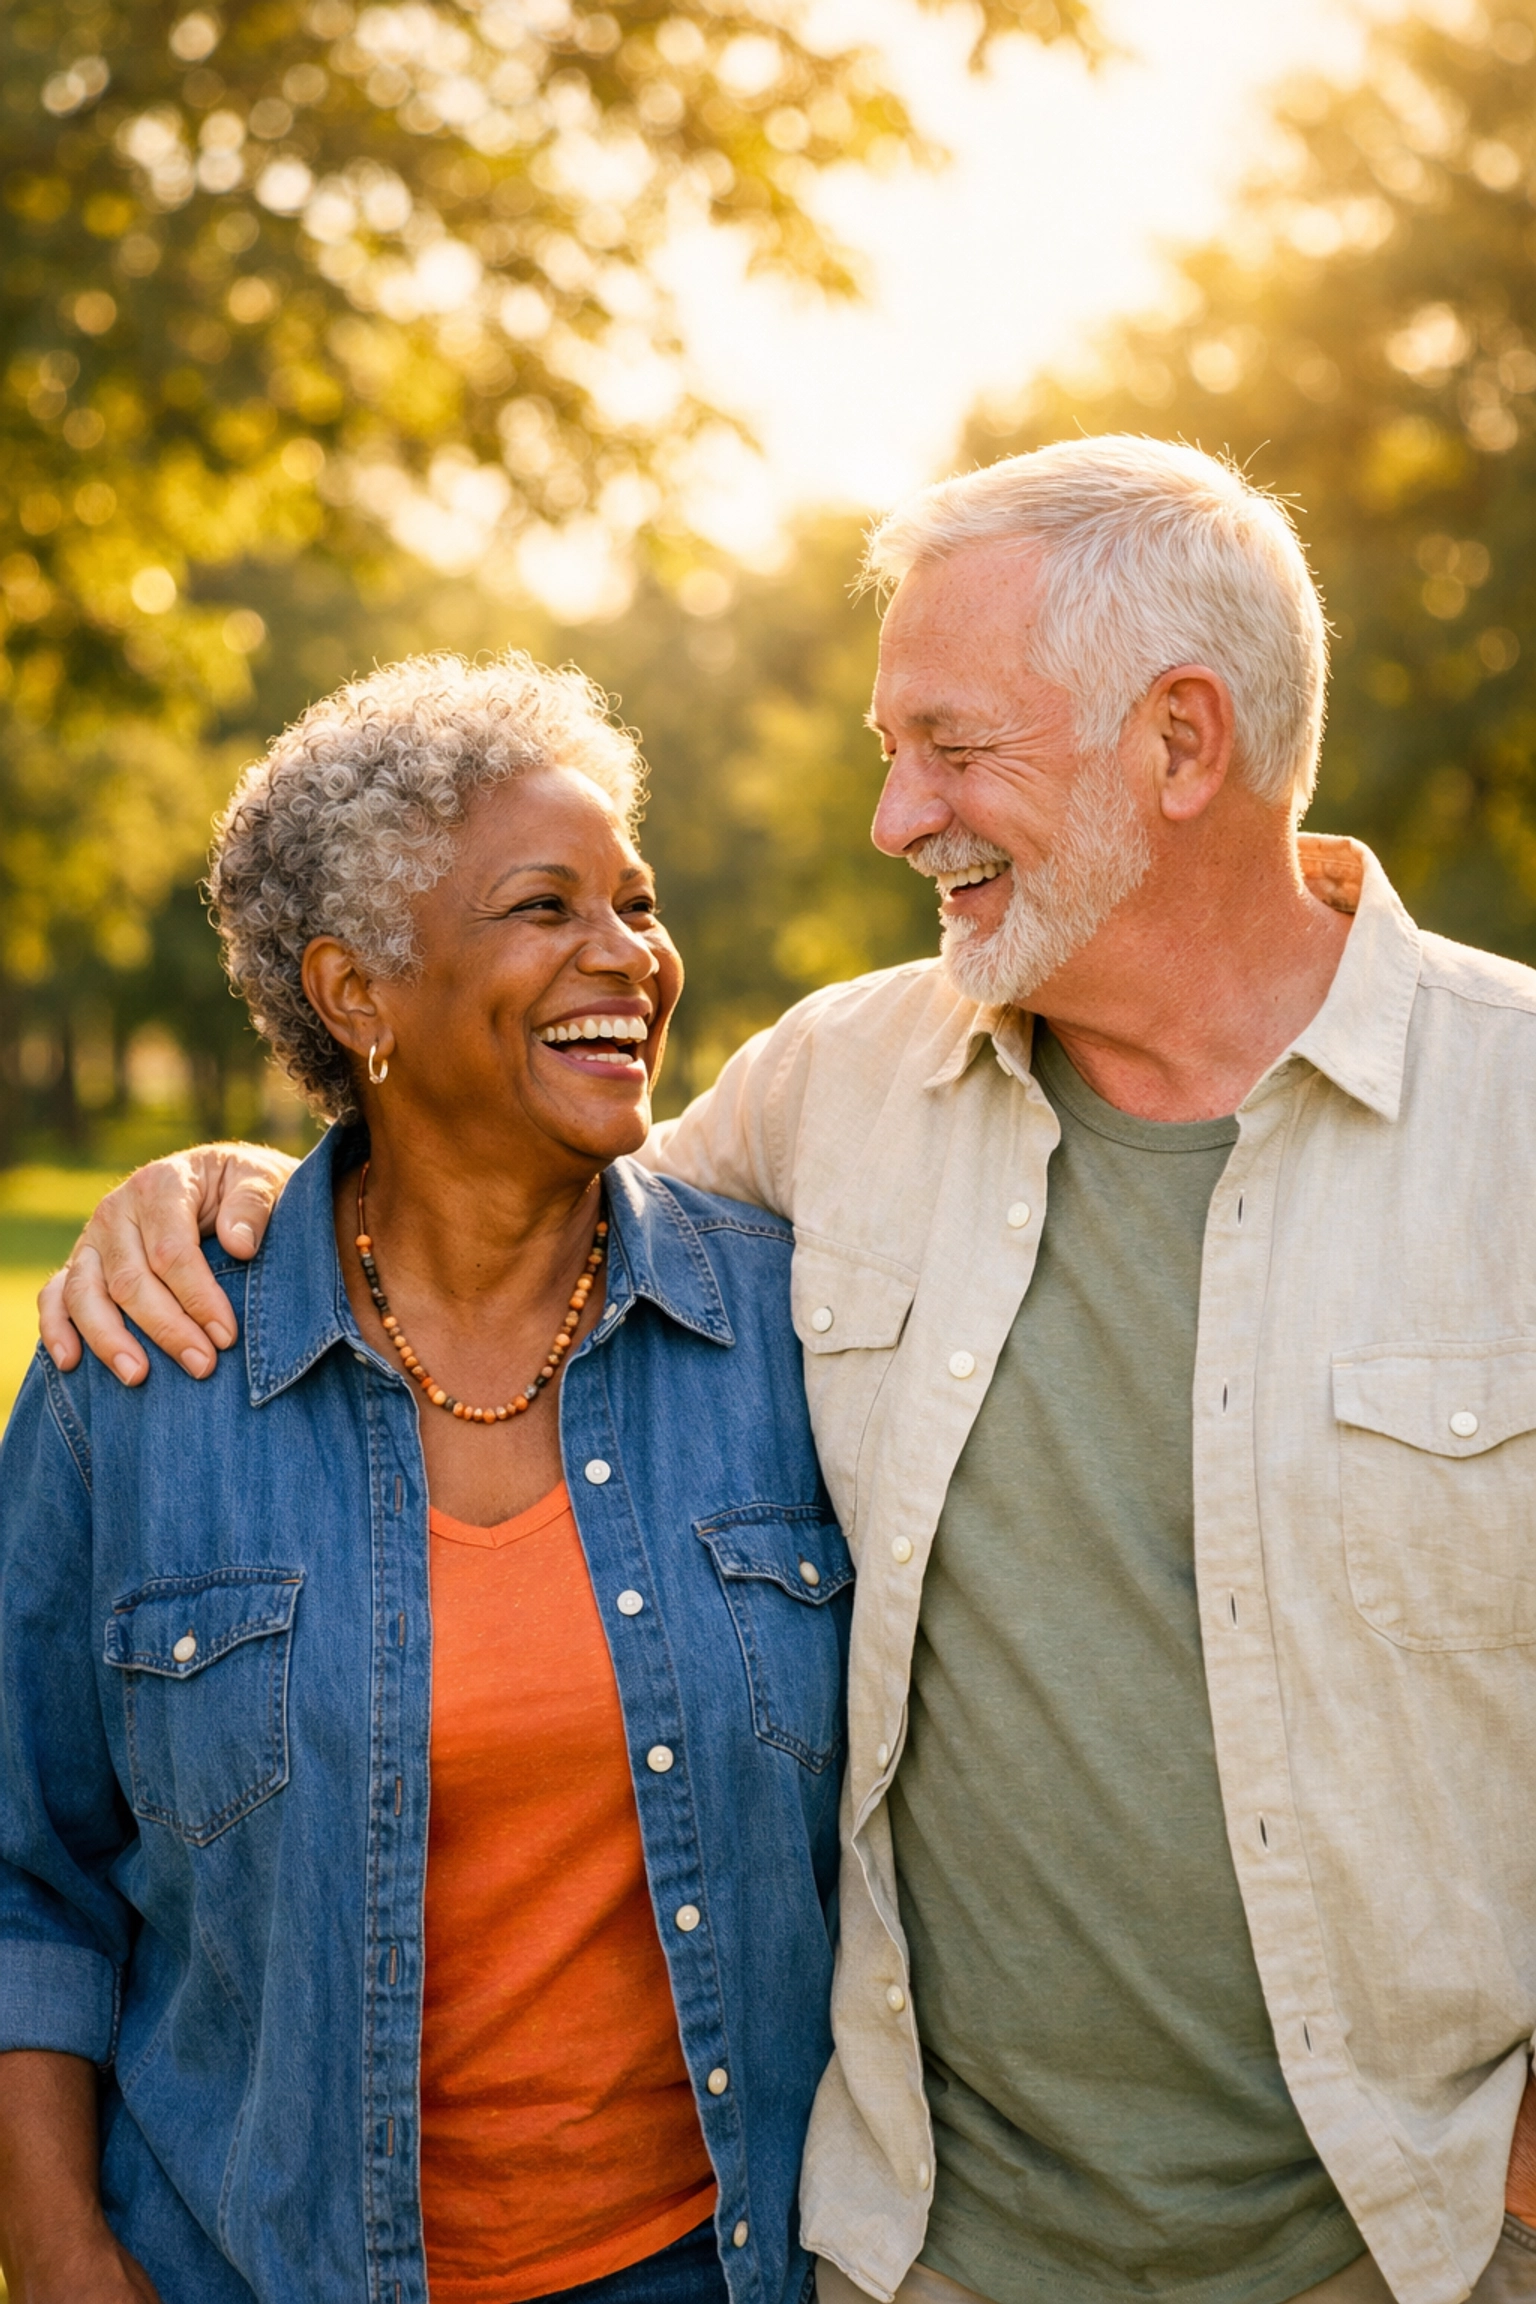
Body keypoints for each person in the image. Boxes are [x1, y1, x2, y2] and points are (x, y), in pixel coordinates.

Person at [39, 437, 1536, 2304]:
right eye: (883, 749)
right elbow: (490, 1202)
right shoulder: (841, 1094)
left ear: (1180, 743)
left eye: (953, 745)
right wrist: (231, 1192)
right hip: (922, 2260)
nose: (898, 819)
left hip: (1419, 2257)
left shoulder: (1518, 1119)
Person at [0, 653, 851, 2304]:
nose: (629, 956)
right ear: (358, 992)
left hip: (720, 2267)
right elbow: (24, 1877)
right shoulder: (143, 1372)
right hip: (246, 2267)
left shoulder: (795, 1330)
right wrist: (55, 2257)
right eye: (544, 907)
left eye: (637, 900)